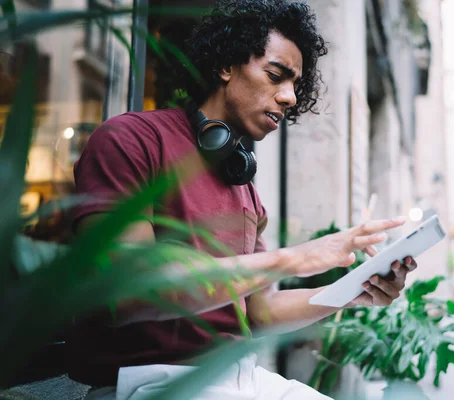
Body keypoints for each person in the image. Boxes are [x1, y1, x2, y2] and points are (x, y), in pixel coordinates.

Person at [68, 1, 417, 399]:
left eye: (295, 86)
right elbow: (132, 289)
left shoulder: (242, 183)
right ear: (227, 66)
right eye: (275, 75)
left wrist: (355, 290)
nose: (288, 97)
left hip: (240, 379)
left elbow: (262, 310)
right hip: (152, 381)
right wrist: (294, 258)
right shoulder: (128, 141)